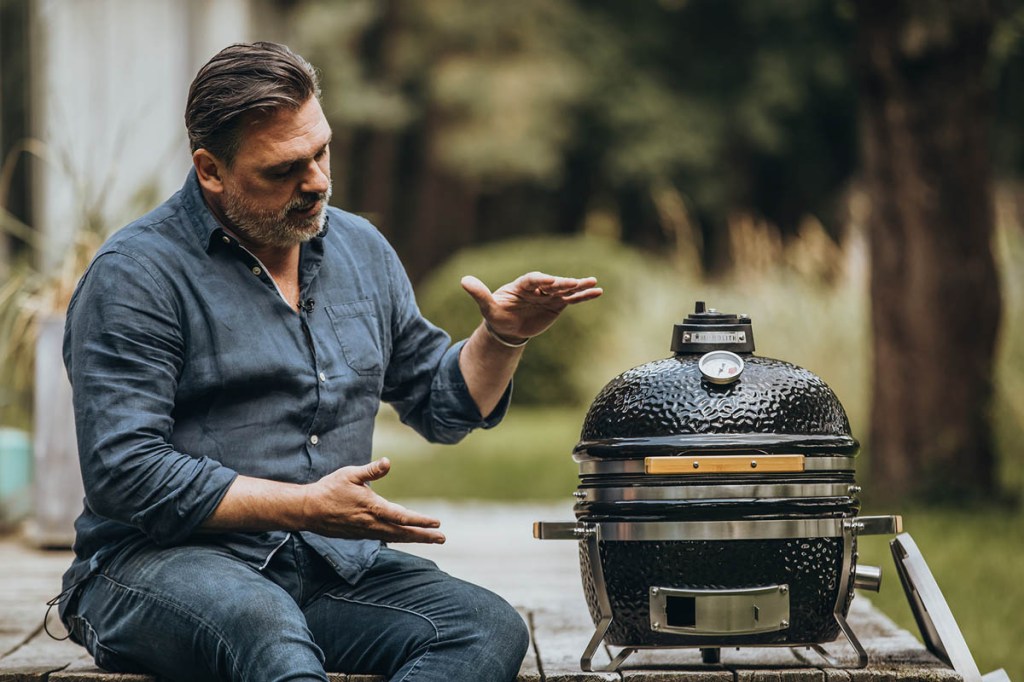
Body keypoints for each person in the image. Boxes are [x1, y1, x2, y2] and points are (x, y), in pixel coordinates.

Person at [56, 41, 601, 682]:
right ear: (210, 170)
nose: (315, 181)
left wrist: (503, 338)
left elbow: (442, 404)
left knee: (483, 629)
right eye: (284, 169)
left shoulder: (361, 249)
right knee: (263, 628)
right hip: (154, 569)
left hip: (325, 568)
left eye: (321, 151)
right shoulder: (137, 276)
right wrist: (302, 505)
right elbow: (126, 472)